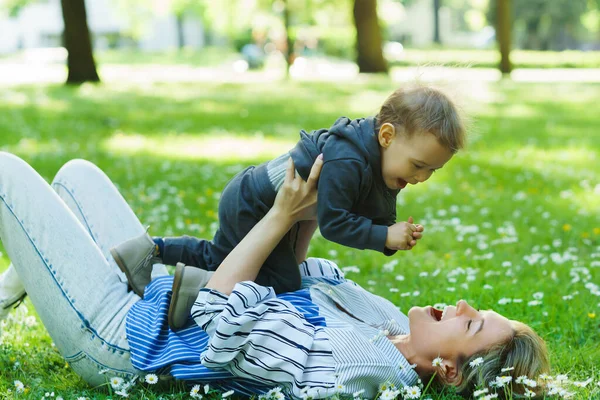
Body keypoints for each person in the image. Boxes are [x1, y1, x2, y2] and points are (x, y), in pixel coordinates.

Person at [0, 153, 549, 399]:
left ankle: (42, 272)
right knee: (76, 175)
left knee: (7, 176)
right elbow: (299, 277)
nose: (464, 307)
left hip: (123, 337)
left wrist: (280, 217)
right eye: (478, 310)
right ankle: (21, 281)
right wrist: (313, 207)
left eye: (473, 326)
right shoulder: (386, 326)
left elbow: (219, 315)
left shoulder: (355, 369)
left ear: (449, 373)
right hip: (159, 295)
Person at [110, 84, 465, 329]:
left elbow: (379, 210)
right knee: (279, 285)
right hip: (254, 203)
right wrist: (385, 235)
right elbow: (335, 223)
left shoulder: (380, 162)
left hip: (264, 203)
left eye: (431, 171)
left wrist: (392, 236)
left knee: (225, 256)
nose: (422, 177)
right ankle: (195, 293)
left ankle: (152, 251)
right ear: (386, 136)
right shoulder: (350, 161)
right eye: (418, 165)